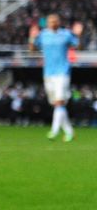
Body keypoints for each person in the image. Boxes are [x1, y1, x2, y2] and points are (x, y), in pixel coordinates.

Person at [29, 14, 83, 142]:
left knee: (59, 102)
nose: (53, 23)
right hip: (48, 73)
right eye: (50, 21)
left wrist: (78, 35)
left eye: (55, 21)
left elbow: (79, 47)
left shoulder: (66, 34)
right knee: (57, 104)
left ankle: (54, 131)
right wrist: (31, 37)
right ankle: (70, 132)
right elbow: (32, 50)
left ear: (59, 22)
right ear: (47, 23)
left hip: (62, 72)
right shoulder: (43, 35)